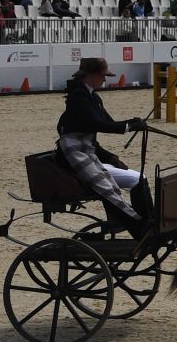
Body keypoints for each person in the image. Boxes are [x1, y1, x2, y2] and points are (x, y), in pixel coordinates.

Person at [57, 56, 152, 235]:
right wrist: (129, 127)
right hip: (75, 151)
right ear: (90, 75)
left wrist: (132, 122)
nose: (104, 79)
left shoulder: (93, 97)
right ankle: (140, 226)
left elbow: (108, 121)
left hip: (87, 150)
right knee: (106, 188)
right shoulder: (78, 96)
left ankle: (147, 219)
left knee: (113, 186)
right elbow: (97, 124)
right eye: (102, 75)